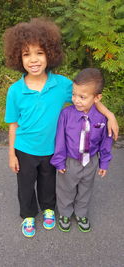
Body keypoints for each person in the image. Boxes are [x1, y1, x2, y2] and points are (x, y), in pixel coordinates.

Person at [4, 18, 118, 238]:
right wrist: (11, 154)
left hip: (55, 150)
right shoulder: (15, 91)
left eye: (39, 52)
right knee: (26, 184)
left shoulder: (63, 84)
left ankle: (48, 209)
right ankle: (28, 215)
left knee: (49, 182)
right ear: (18, 57)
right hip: (25, 148)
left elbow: (88, 97)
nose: (34, 60)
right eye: (26, 54)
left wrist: (109, 114)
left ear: (50, 54)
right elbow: (13, 124)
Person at [50, 68, 113, 233]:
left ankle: (81, 213)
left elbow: (106, 142)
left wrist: (104, 163)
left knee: (86, 189)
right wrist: (59, 160)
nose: (76, 100)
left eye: (82, 97)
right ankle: (64, 213)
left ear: (97, 98)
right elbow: (60, 139)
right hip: (70, 161)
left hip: (90, 161)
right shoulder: (66, 114)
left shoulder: (102, 119)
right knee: (66, 189)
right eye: (74, 95)